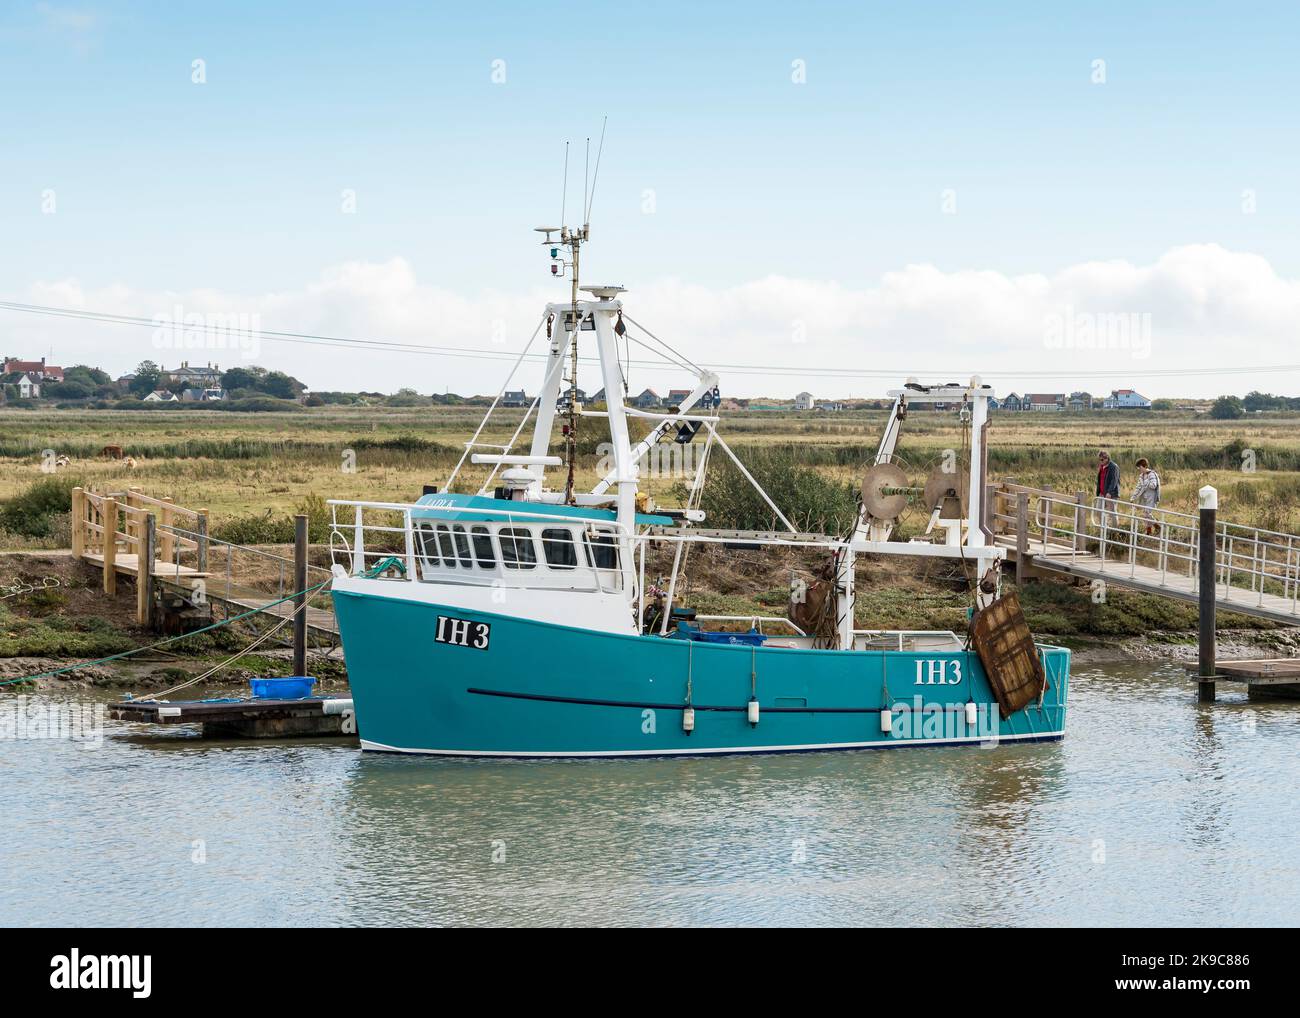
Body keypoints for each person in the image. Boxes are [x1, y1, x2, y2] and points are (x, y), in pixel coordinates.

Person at [1131, 457, 1161, 535]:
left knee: (1146, 514)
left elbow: (1154, 485)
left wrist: (1146, 482)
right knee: (1146, 514)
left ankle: (1153, 528)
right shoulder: (1141, 476)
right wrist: (1133, 497)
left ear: (1144, 466)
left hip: (1151, 498)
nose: (1139, 469)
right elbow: (1138, 487)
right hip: (1144, 498)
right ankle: (1153, 528)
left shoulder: (1152, 474)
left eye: (1139, 467)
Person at [1095, 449, 1120, 531]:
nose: (1100, 461)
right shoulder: (1101, 467)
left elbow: (1114, 480)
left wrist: (1109, 492)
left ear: (1107, 458)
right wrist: (1098, 492)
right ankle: (1106, 528)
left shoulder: (1114, 467)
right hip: (1102, 494)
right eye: (1099, 460)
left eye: (1102, 459)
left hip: (1110, 494)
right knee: (1098, 511)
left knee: (1112, 513)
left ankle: (1115, 531)